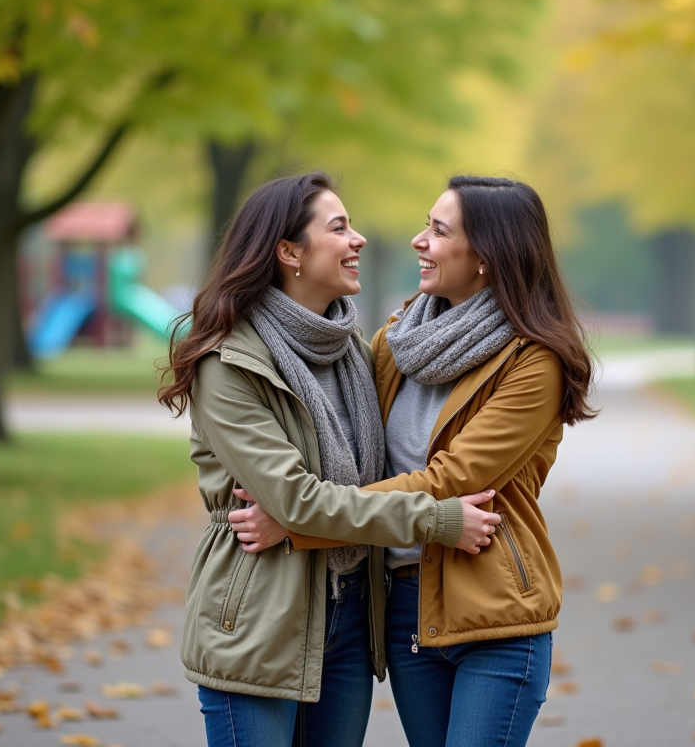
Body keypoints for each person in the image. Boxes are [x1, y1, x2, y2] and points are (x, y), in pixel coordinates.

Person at [230, 175, 596, 747]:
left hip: (496, 615)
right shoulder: (395, 344)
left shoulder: (534, 362)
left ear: (487, 257)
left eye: (438, 230)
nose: (417, 240)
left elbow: (450, 482)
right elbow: (357, 463)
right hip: (407, 610)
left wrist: (296, 524)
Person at [158, 172, 501, 747]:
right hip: (261, 620)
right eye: (339, 227)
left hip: (346, 622)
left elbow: (367, 478)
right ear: (290, 252)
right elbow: (294, 498)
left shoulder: (350, 351)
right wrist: (437, 518)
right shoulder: (231, 364)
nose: (358, 239)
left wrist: (294, 525)